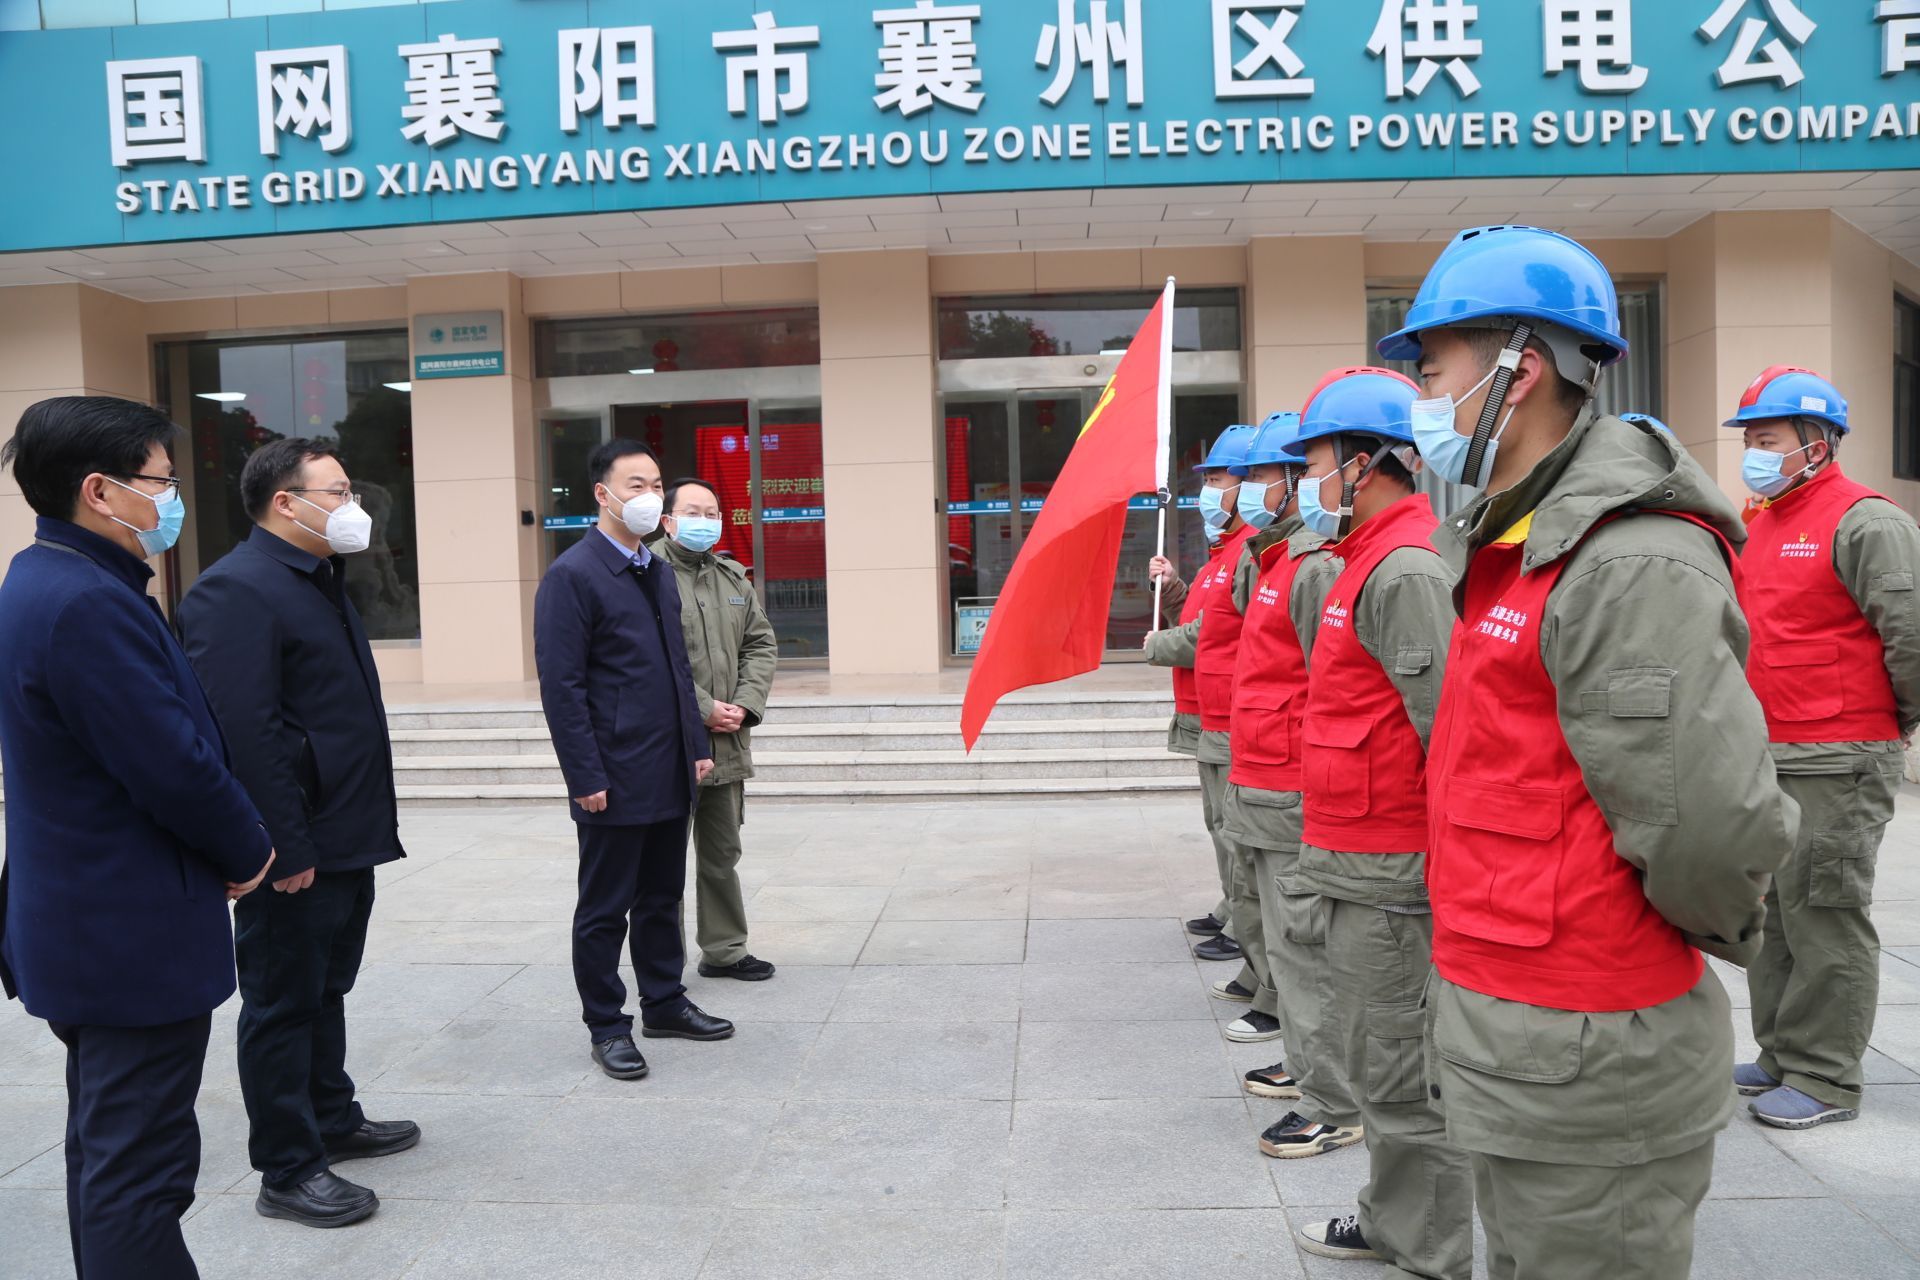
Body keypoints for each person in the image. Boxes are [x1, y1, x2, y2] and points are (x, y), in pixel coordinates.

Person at [1383, 225, 1796, 1279]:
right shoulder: (1511, 542)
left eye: (1433, 371)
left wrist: (1675, 932)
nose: (1420, 402)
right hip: (1523, 1049)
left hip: (1590, 1053)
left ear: (1517, 372)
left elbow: (1709, 825)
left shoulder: (1628, 559)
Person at [0, 396, 277, 1279]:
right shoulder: (86, 602)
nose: (170, 498)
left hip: (88, 926)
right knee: (140, 1173)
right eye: (160, 482)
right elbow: (172, 765)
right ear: (99, 491)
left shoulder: (42, 578)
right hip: (125, 934)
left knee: (108, 1153)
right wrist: (250, 850)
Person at [176, 438, 415, 1230]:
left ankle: (331, 1117)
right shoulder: (236, 591)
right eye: (340, 491)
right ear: (287, 502)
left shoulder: (318, 578)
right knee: (281, 1002)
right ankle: (288, 1166)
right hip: (297, 844)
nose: (355, 507)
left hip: (348, 831)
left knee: (327, 988)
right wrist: (284, 847)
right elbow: (247, 733)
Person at [1283, 367, 1473, 1276]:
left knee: (1401, 1073)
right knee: (1377, 1057)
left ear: (1362, 467)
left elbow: (1455, 737)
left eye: (1314, 461)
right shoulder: (1364, 562)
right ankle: (1397, 1218)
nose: (1304, 482)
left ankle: (1428, 1245)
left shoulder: (1405, 569)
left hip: (1396, 873)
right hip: (1358, 862)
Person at [1726, 366, 1920, 1129]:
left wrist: (1888, 722)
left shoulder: (1867, 521)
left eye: (1768, 439)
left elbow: (1911, 637)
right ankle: (1781, 1052)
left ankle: (1826, 1075)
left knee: (1828, 911)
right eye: (1750, 439)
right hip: (1770, 752)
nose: (1754, 452)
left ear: (1817, 443)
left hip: (1839, 754)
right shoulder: (1763, 521)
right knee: (1774, 912)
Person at [535, 438, 729, 1082]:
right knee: (603, 907)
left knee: (659, 897)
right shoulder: (573, 575)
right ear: (603, 493)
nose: (649, 497)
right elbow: (561, 687)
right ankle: (607, 1025)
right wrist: (585, 775)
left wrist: (696, 748)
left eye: (655, 485)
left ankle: (665, 1002)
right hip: (612, 775)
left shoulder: (655, 569)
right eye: (636, 485)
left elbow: (678, 669)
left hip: (668, 766)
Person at [1215, 411, 1364, 1159]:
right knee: (1286, 941)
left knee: (1309, 949)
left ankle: (1333, 1094)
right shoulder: (1272, 559)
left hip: (1297, 789)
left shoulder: (1315, 564)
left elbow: (1328, 682)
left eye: (1277, 474)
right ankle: (1309, 1065)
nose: (1243, 491)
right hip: (1261, 782)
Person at [648, 476, 779, 982]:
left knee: (722, 854)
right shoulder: (646, 574)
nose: (705, 521)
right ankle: (661, 967)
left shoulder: (732, 577)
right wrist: (701, 706)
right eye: (693, 512)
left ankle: (724, 950)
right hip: (670, 745)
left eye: (712, 512)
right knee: (661, 864)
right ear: (667, 519)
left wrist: (744, 704)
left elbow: (761, 644)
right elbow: (649, 657)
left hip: (727, 741)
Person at [1145, 424, 1260, 988]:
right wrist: (1171, 587)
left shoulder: (1249, 551)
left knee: (1233, 827)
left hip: (1230, 713)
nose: (1207, 492)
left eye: (1217, 479)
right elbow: (1197, 612)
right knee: (1219, 824)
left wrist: (1156, 645)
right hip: (1202, 707)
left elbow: (1212, 634)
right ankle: (1231, 908)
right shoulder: (1222, 553)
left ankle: (1243, 923)